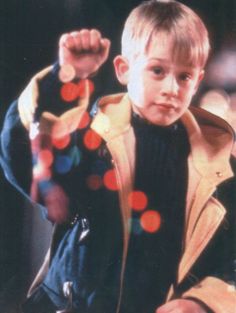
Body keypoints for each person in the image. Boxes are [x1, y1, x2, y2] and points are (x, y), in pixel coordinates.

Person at [1, 1, 236, 312]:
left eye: (184, 77)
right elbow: (22, 160)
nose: (171, 88)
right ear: (124, 70)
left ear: (199, 79)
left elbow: (229, 259)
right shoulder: (92, 141)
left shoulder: (218, 169)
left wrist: (202, 303)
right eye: (157, 70)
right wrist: (65, 78)